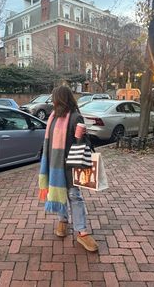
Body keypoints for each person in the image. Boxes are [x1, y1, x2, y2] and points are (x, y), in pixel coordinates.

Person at [38, 85, 98, 252]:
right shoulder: (53, 117)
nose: (53, 101)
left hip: (70, 166)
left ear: (61, 99)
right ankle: (63, 221)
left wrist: (81, 137)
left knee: (74, 196)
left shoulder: (75, 117)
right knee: (58, 193)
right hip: (54, 166)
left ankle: (82, 232)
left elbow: (83, 144)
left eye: (54, 97)